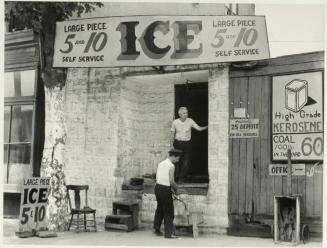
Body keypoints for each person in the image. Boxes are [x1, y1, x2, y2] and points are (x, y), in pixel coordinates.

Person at [170, 106, 208, 183]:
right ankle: (173, 179)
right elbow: (172, 133)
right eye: (184, 113)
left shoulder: (190, 121)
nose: (186, 114)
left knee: (186, 162)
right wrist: (171, 145)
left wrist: (208, 126)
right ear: (179, 114)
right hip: (177, 143)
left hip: (187, 144)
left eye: (186, 113)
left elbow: (199, 129)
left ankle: (181, 179)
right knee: (176, 161)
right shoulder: (175, 122)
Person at [153, 148, 182, 239]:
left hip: (158, 188)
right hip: (165, 189)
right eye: (177, 158)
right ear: (173, 156)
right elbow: (171, 181)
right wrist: (176, 190)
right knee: (169, 211)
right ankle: (169, 234)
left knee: (160, 208)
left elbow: (161, 178)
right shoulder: (171, 166)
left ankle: (157, 229)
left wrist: (170, 189)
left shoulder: (161, 163)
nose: (177, 161)